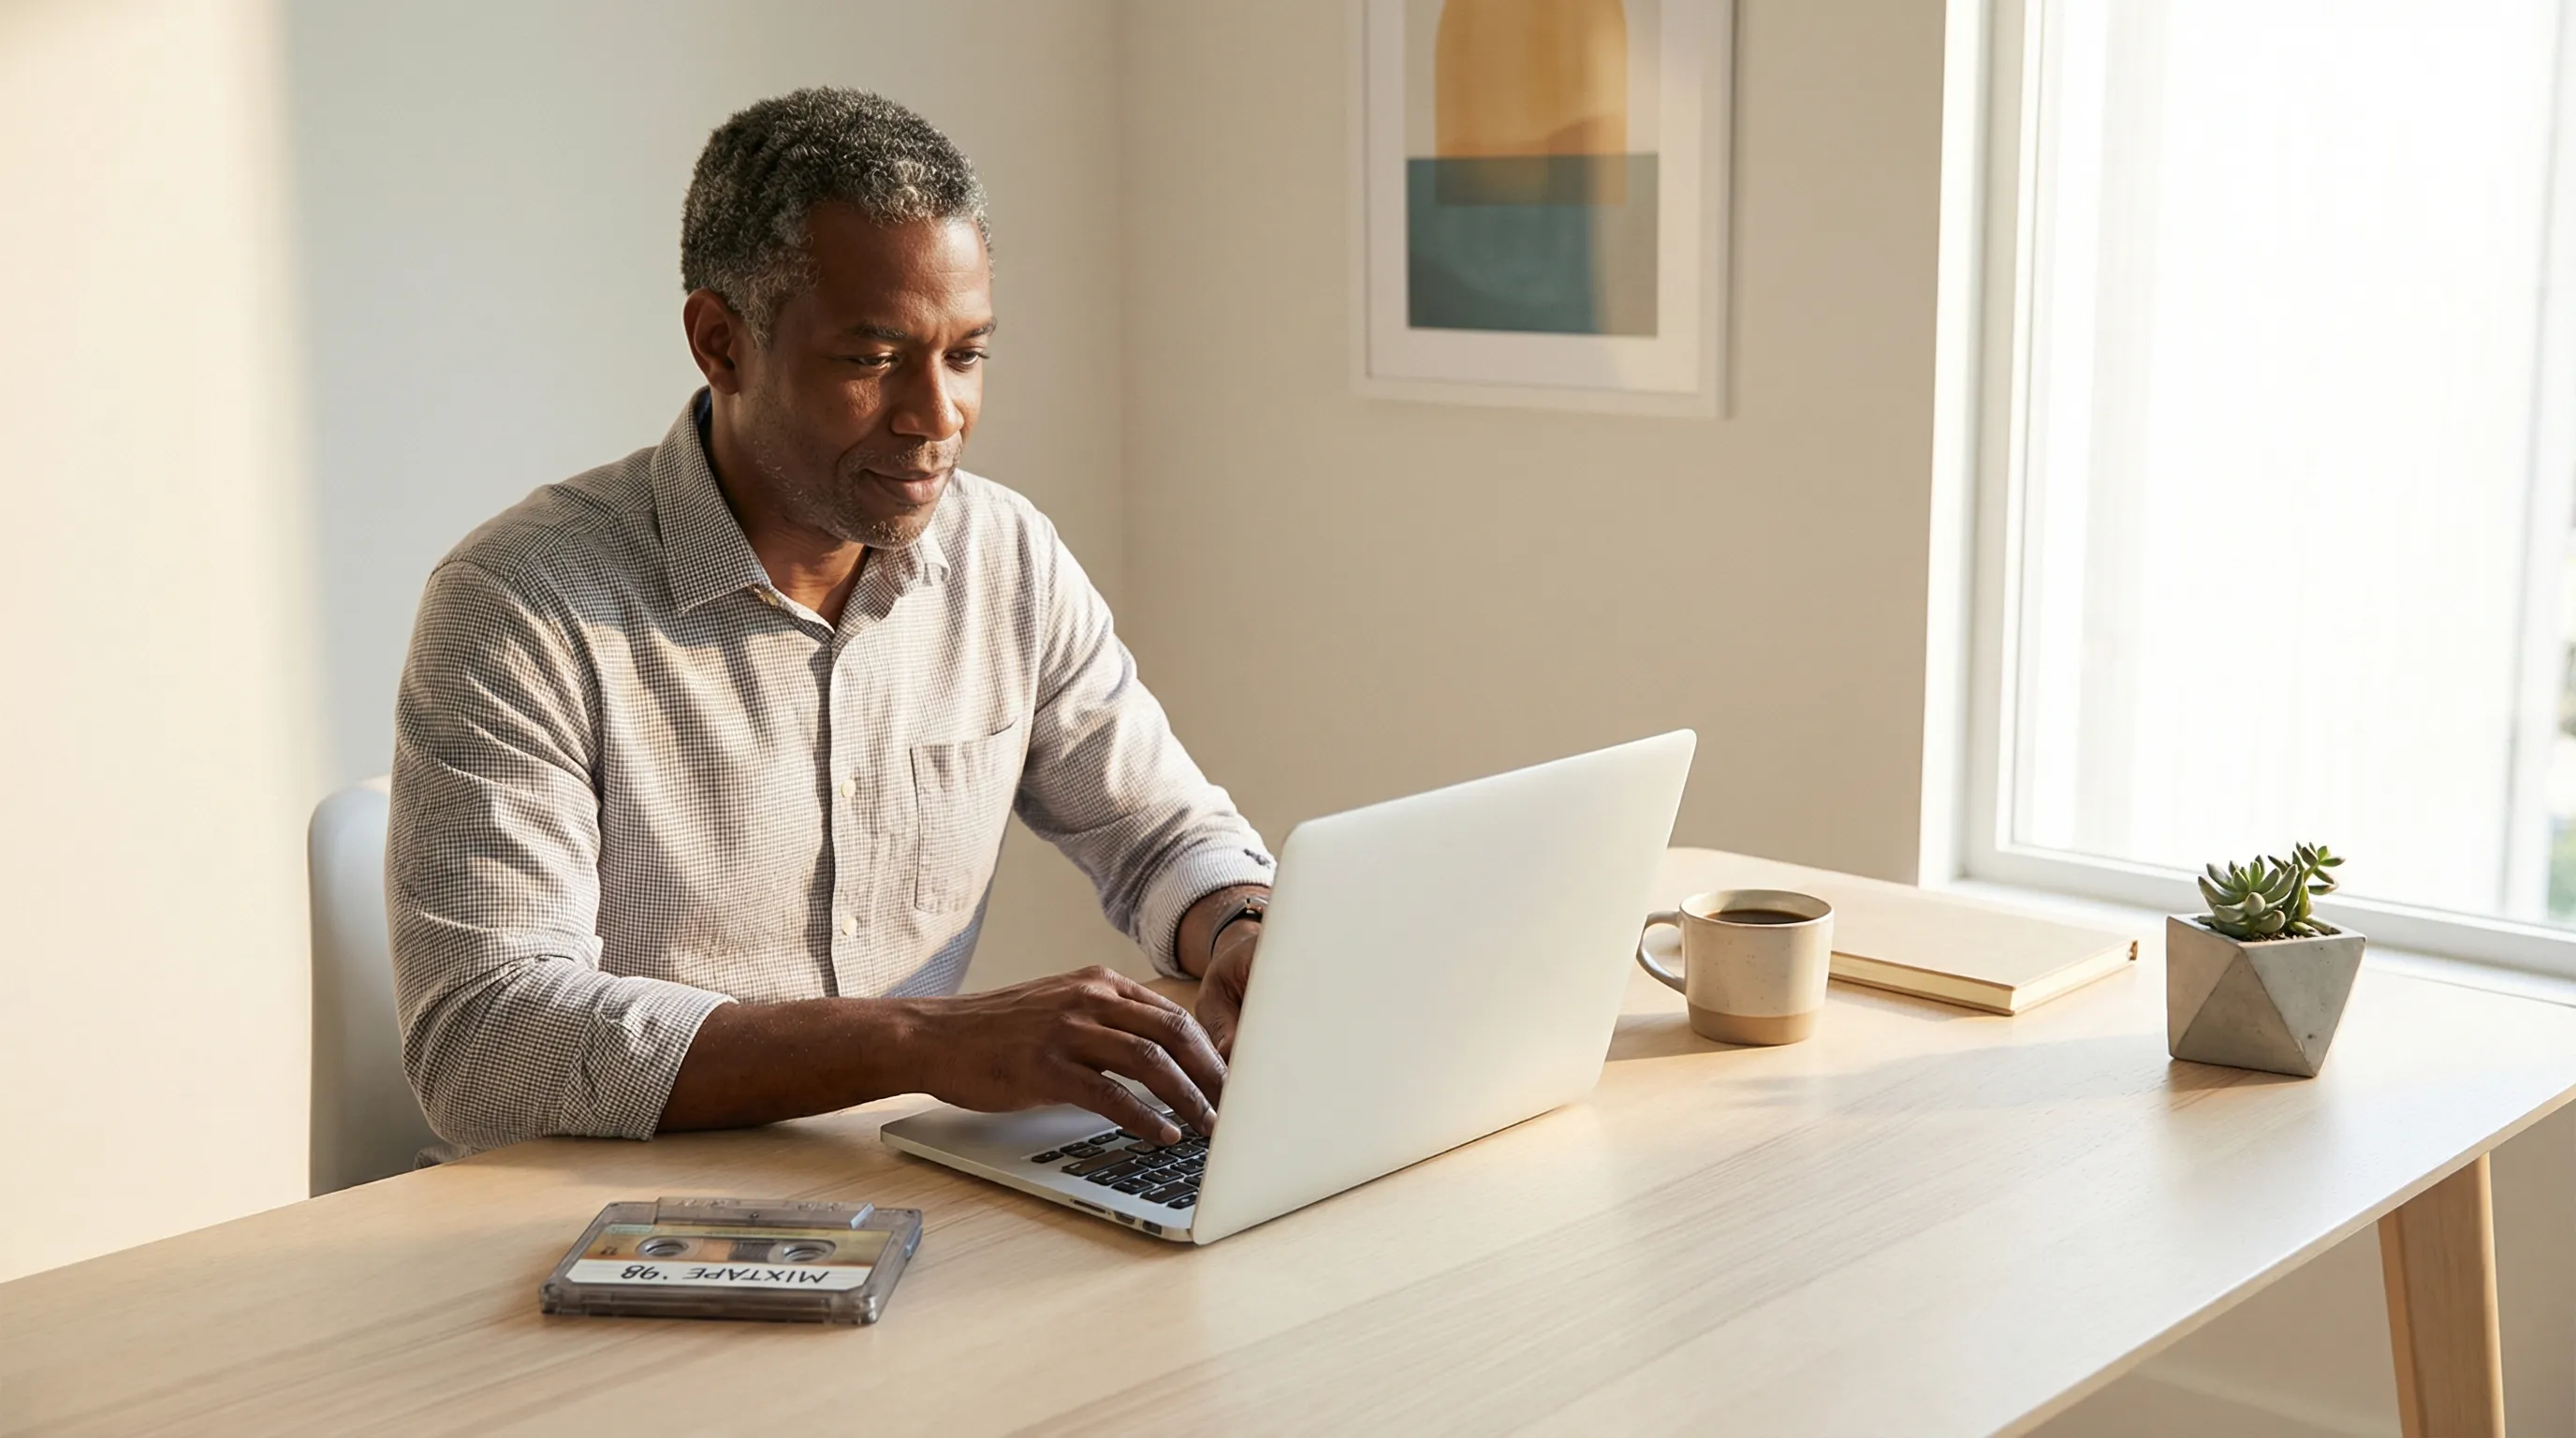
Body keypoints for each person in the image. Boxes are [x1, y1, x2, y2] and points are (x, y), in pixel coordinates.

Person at [388, 89, 1271, 1154]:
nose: (937, 418)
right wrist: (918, 1042)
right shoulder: (521, 605)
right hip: (603, 1229)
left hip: (904, 1194)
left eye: (966, 355)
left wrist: (1241, 927)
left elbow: (1163, 833)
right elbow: (485, 1045)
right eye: (872, 360)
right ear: (722, 343)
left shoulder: (1006, 559)